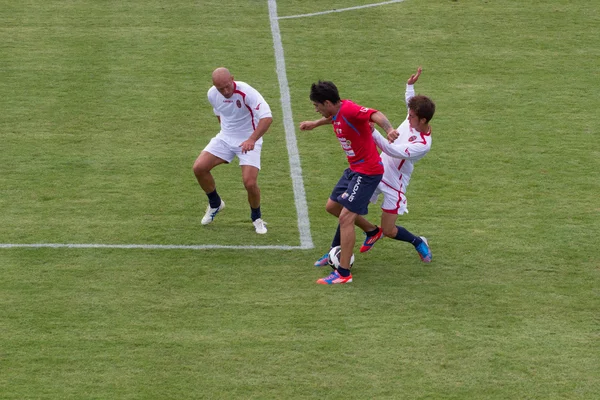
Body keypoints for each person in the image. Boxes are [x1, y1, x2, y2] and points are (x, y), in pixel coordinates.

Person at [314, 67, 434, 265]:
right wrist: (409, 86)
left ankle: (417, 241)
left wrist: (372, 132)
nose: (408, 117)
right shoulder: (413, 117)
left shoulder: (422, 145)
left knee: (389, 230)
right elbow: (409, 103)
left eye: (412, 116)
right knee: (347, 210)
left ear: (423, 120)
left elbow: (392, 150)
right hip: (374, 171)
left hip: (395, 182)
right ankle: (334, 252)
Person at [300, 81, 398, 285]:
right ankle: (372, 231)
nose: (316, 109)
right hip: (354, 170)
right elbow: (332, 119)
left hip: (367, 172)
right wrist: (315, 123)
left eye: (317, 106)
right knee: (332, 206)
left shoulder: (351, 109)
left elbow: (375, 114)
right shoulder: (337, 112)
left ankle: (343, 272)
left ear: (327, 102)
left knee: (345, 218)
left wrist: (389, 130)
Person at [193, 67, 273, 234]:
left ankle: (256, 218)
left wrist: (252, 139)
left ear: (233, 79)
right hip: (225, 138)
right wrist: (226, 133)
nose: (225, 91)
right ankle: (215, 203)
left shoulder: (247, 92)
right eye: (220, 88)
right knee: (199, 168)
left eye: (227, 86)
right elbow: (220, 113)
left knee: (249, 183)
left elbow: (267, 118)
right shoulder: (212, 94)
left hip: (249, 139)